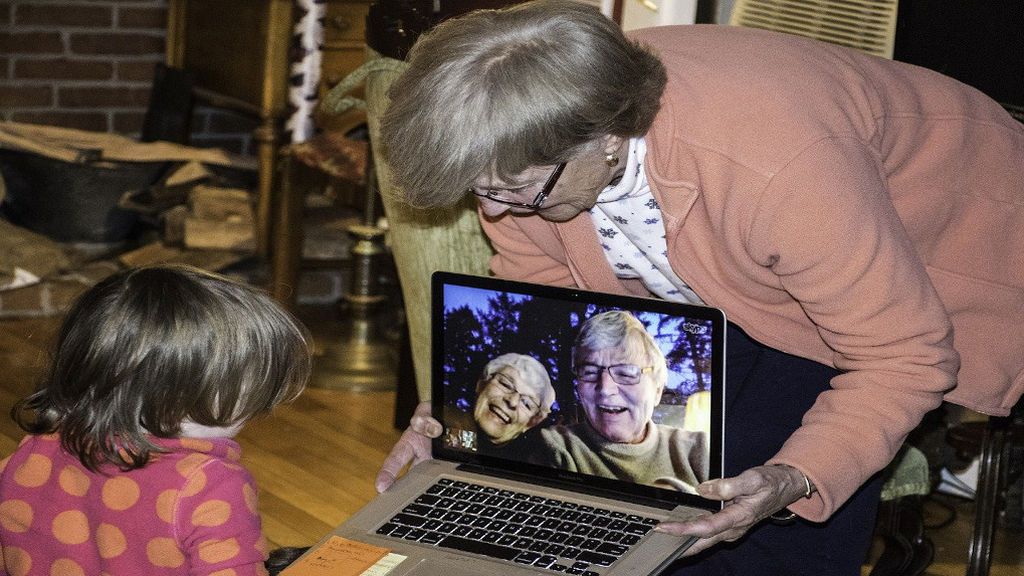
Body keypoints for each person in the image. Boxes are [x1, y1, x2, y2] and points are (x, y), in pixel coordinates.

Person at [372, 1, 1024, 574]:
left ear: (606, 136)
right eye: (480, 190)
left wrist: (794, 477)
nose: (498, 209)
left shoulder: (776, 167)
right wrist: (453, 416)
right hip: (743, 275)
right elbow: (540, 292)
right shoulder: (529, 158)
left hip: (932, 243)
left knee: (747, 487)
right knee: (645, 470)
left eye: (515, 189)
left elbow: (902, 353)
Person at [0, 265, 311, 576]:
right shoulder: (210, 483)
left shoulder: (30, 454)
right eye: (254, 380)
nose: (263, 395)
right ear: (178, 392)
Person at [534, 310, 708, 494]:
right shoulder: (556, 446)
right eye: (590, 372)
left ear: (657, 391)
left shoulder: (699, 449)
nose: (605, 389)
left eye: (626, 373)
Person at [442, 352, 556, 451]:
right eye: (506, 384)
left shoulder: (534, 461)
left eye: (526, 403)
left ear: (531, 423)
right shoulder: (443, 421)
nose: (512, 401)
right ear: (481, 384)